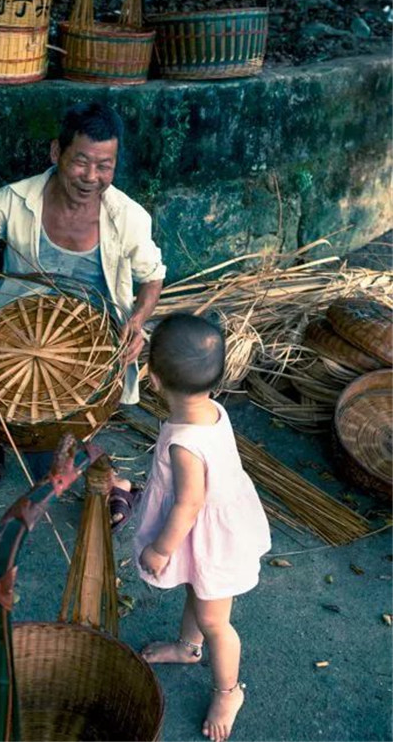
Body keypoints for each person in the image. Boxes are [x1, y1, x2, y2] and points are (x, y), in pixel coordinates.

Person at [0, 102, 166, 489]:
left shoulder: (128, 217)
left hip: (92, 343)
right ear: (56, 152)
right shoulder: (14, 201)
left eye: (104, 165)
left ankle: (53, 439)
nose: (91, 176)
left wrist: (138, 320)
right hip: (18, 332)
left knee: (64, 438)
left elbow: (152, 277)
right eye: (81, 162)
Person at [131, 313, 271, 742]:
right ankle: (188, 649)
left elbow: (189, 504)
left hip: (210, 536)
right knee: (198, 587)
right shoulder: (212, 409)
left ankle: (229, 691)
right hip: (211, 531)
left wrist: (159, 548)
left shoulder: (184, 445)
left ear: (152, 379)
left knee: (216, 621)